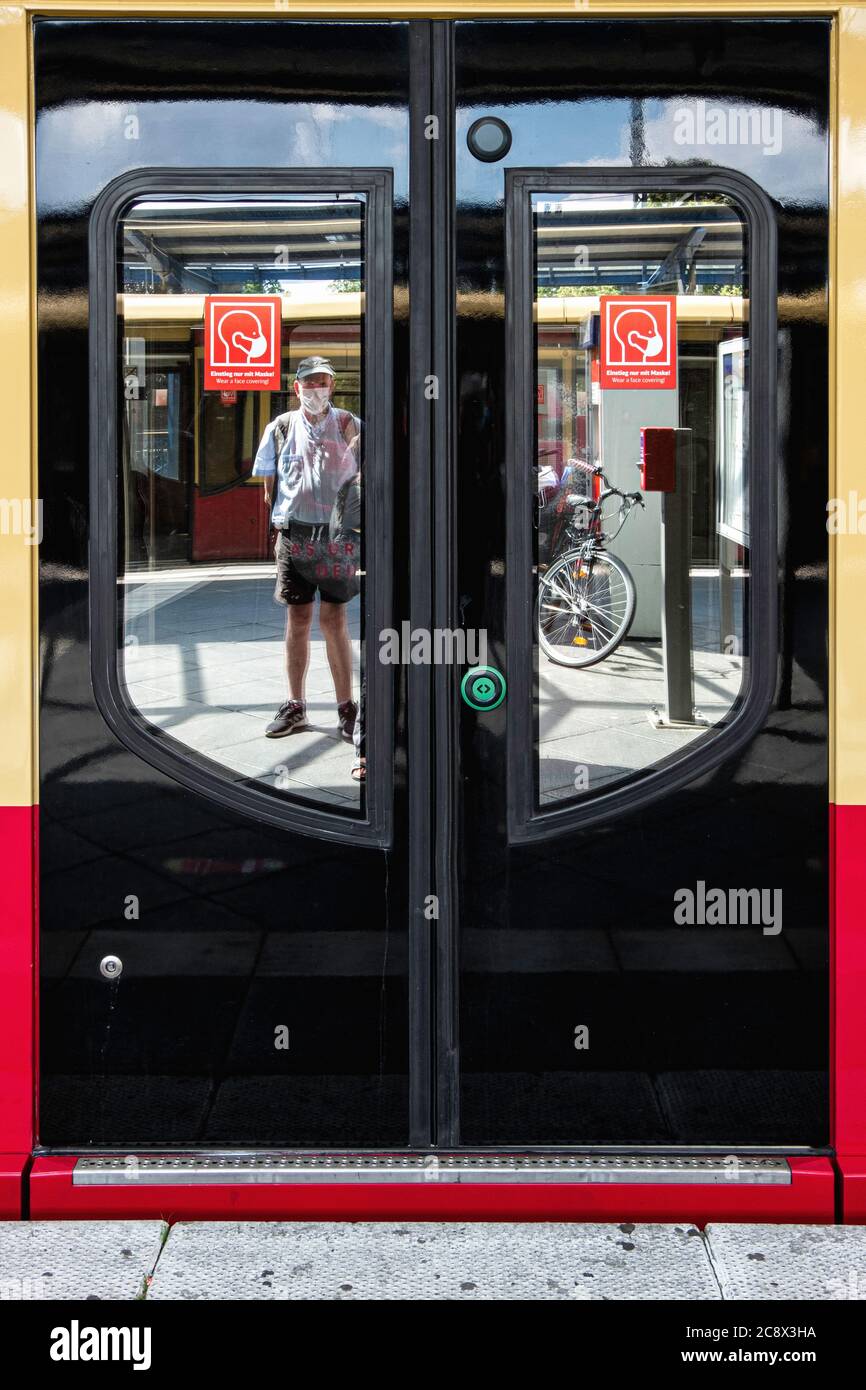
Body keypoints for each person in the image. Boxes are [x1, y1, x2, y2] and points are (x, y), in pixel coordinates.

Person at [252, 356, 360, 741]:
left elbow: (364, 474)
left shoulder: (349, 424)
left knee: (334, 621)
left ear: (332, 386)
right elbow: (268, 484)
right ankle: (295, 705)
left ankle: (347, 708)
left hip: (336, 538)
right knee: (298, 621)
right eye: (310, 383)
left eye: (324, 382)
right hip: (294, 534)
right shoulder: (280, 427)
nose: (317, 389)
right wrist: (281, 522)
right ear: (297, 388)